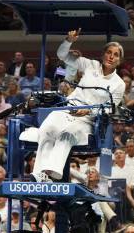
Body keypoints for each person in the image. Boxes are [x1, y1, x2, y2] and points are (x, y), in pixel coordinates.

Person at [29, 29, 125, 182]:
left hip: (88, 120)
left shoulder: (118, 84)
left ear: (119, 60)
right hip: (68, 109)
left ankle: (51, 174)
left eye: (115, 55)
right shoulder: (90, 65)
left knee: (67, 134)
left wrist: (88, 111)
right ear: (103, 54)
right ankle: (40, 174)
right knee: (48, 126)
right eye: (109, 52)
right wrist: (69, 40)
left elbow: (109, 108)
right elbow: (62, 56)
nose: (111, 56)